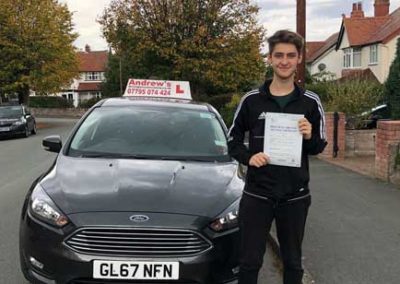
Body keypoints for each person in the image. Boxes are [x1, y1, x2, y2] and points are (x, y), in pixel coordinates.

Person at [227, 30, 327, 284]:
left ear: (299, 59)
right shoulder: (251, 100)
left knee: (293, 262)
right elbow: (232, 141)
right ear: (270, 58)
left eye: (290, 56)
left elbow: (318, 147)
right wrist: (249, 157)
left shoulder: (310, 102)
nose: (284, 61)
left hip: (295, 195)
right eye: (279, 55)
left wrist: (309, 135)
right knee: (249, 262)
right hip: (257, 194)